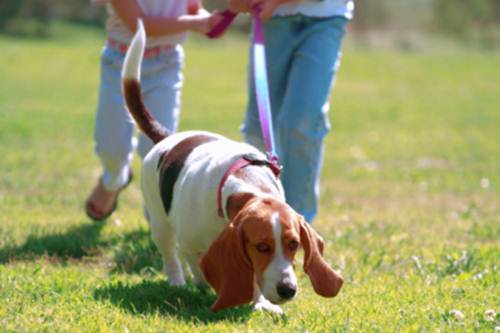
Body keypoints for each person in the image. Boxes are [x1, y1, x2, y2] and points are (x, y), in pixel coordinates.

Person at [86, 0, 221, 220]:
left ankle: (157, 212)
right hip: (120, 62)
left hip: (166, 63)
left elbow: (194, 10)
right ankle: (114, 178)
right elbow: (139, 25)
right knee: (110, 145)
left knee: (159, 145)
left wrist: (210, 22)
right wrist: (195, 23)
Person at [229, 0, 354, 222]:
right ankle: (257, 218)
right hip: (272, 20)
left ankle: (297, 224)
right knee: (258, 127)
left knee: (301, 122)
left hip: (324, 17)